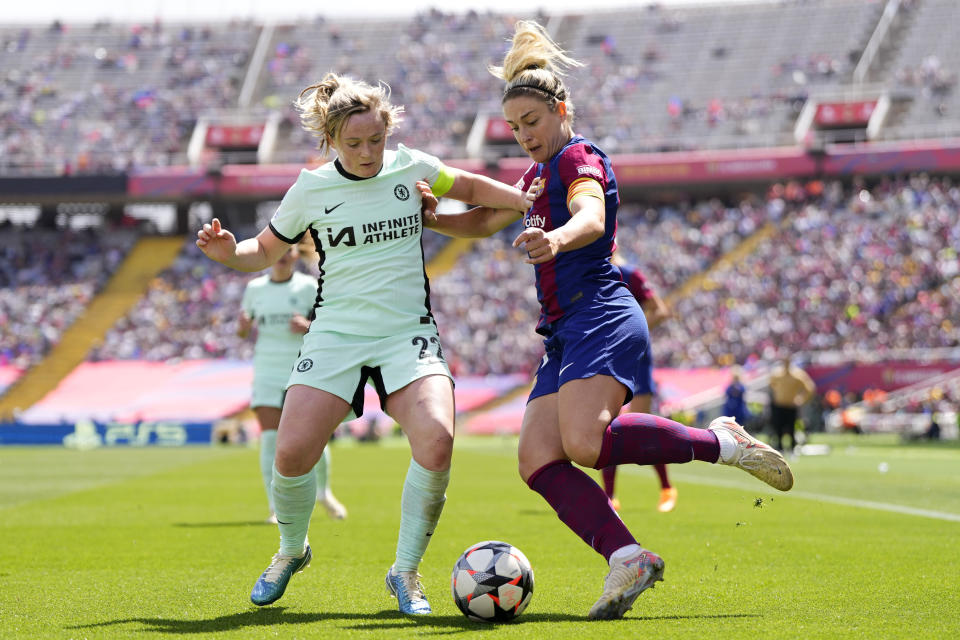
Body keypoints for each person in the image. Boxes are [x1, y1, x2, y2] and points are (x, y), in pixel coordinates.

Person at [418, 20, 794, 620]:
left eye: (532, 123)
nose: (523, 137)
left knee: (585, 444)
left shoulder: (579, 157)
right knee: (537, 461)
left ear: (562, 110)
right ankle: (627, 558)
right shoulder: (535, 175)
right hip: (563, 332)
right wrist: (432, 219)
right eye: (514, 129)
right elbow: (485, 221)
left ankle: (721, 443)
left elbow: (590, 216)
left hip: (601, 314)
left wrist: (558, 240)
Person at [196, 72, 535, 614]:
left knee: (439, 439)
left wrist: (523, 199)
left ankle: (404, 572)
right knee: (289, 453)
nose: (367, 152)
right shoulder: (310, 188)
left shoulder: (411, 167)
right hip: (335, 333)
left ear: (387, 130)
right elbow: (261, 252)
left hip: (408, 334)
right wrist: (228, 254)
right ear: (330, 140)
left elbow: (470, 189)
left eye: (375, 139)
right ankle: (290, 550)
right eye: (353, 144)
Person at [237, 242, 347, 524]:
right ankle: (275, 507)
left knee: (313, 436)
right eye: (279, 252)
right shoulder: (255, 289)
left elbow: (332, 324)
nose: (283, 257)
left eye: (289, 251)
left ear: (296, 255)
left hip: (303, 369)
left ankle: (324, 492)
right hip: (267, 369)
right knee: (271, 438)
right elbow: (242, 332)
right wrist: (243, 327)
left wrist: (308, 325)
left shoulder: (308, 287)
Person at [601, 251, 677, 513]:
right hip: (606, 356)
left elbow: (661, 310)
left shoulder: (631, 274)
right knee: (604, 426)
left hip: (636, 357)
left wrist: (631, 329)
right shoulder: (590, 270)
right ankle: (610, 497)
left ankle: (666, 487)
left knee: (643, 427)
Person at [768, 354, 816, 452]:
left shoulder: (797, 374)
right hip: (779, 405)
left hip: (791, 406)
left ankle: (792, 448)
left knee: (791, 428)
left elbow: (810, 388)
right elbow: (771, 384)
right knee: (778, 427)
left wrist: (801, 399)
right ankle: (780, 447)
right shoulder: (777, 373)